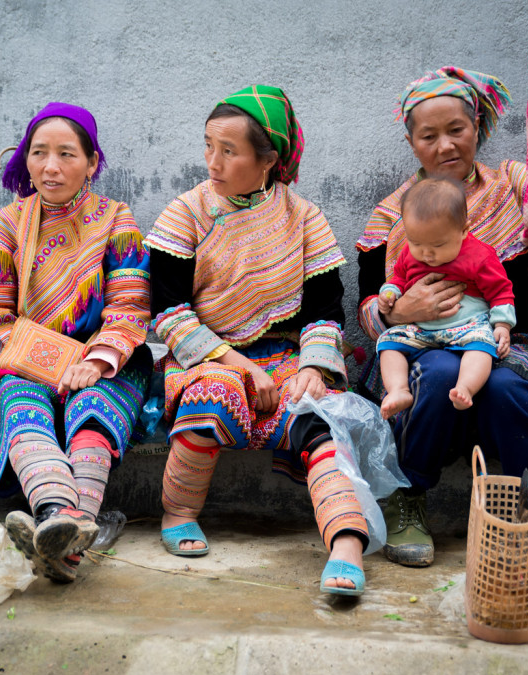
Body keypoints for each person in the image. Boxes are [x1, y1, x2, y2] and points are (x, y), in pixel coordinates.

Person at [356, 67, 528, 580]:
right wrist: (399, 312)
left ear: (478, 126)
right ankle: (408, 494)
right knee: (441, 377)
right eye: (429, 136)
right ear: (411, 142)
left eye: (457, 130)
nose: (445, 145)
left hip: (503, 338)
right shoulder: (391, 215)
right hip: (418, 344)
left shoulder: (513, 189)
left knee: (503, 387)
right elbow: (367, 305)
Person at [146, 85, 369, 596]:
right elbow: (170, 313)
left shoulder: (304, 218)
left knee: (318, 413)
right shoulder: (186, 213)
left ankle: (346, 543)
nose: (212, 162)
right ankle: (178, 512)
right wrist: (241, 367)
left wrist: (313, 368)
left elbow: (324, 309)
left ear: (268, 159)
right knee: (211, 399)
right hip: (206, 354)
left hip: (286, 354)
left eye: (229, 151)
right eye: (208, 146)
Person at [0, 103, 151, 583]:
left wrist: (94, 360)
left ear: (92, 162)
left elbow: (130, 305)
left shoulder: (117, 220)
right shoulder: (4, 226)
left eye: (67, 154)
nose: (51, 167)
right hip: (28, 359)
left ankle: (57, 540)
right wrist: (51, 362)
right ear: (26, 159)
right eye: (39, 153)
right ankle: (62, 518)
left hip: (109, 359)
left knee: (91, 415)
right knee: (24, 411)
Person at [378, 176, 515, 419]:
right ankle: (398, 390)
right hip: (420, 328)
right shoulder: (411, 253)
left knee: (482, 348)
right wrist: (390, 293)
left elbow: (500, 291)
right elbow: (399, 277)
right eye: (416, 242)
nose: (426, 254)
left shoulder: (479, 256)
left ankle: (465, 388)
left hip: (468, 325)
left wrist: (502, 325)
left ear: (463, 230)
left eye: (438, 245)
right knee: (388, 344)